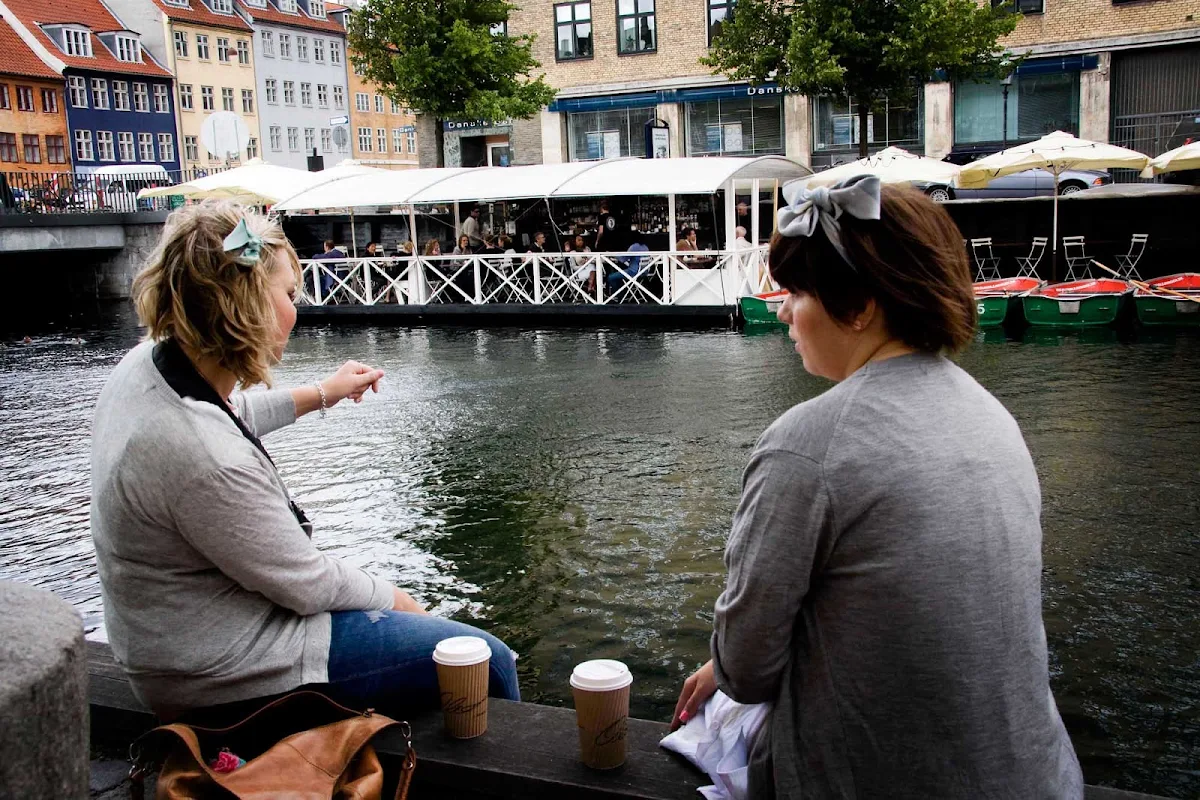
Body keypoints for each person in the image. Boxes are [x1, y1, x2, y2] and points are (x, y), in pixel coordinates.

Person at [670, 176, 1083, 799]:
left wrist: (723, 664)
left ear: (860, 307)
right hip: (1038, 777)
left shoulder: (806, 444)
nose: (782, 311)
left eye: (796, 293)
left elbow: (748, 669)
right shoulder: (990, 415)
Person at [90, 202, 519, 724]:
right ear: (244, 303)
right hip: (222, 674)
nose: (298, 309)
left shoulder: (148, 368)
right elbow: (307, 583)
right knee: (483, 659)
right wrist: (398, 598)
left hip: (173, 645)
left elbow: (230, 412)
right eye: (289, 294)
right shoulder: (206, 456)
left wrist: (324, 392)